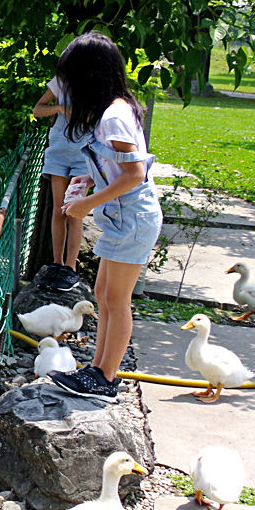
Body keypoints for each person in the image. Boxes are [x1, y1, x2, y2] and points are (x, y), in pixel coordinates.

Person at [44, 32, 163, 400]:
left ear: (89, 76)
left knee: (116, 299)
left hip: (133, 218)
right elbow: (118, 167)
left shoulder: (113, 116)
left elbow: (134, 174)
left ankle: (106, 379)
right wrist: (88, 178)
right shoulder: (113, 110)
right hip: (122, 217)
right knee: (103, 293)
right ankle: (96, 371)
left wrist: (87, 204)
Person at [31, 72, 89, 291]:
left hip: (83, 155)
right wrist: (59, 108)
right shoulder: (61, 82)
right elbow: (38, 110)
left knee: (74, 211)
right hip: (58, 153)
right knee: (58, 210)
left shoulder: (97, 85)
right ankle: (57, 263)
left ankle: (70, 267)